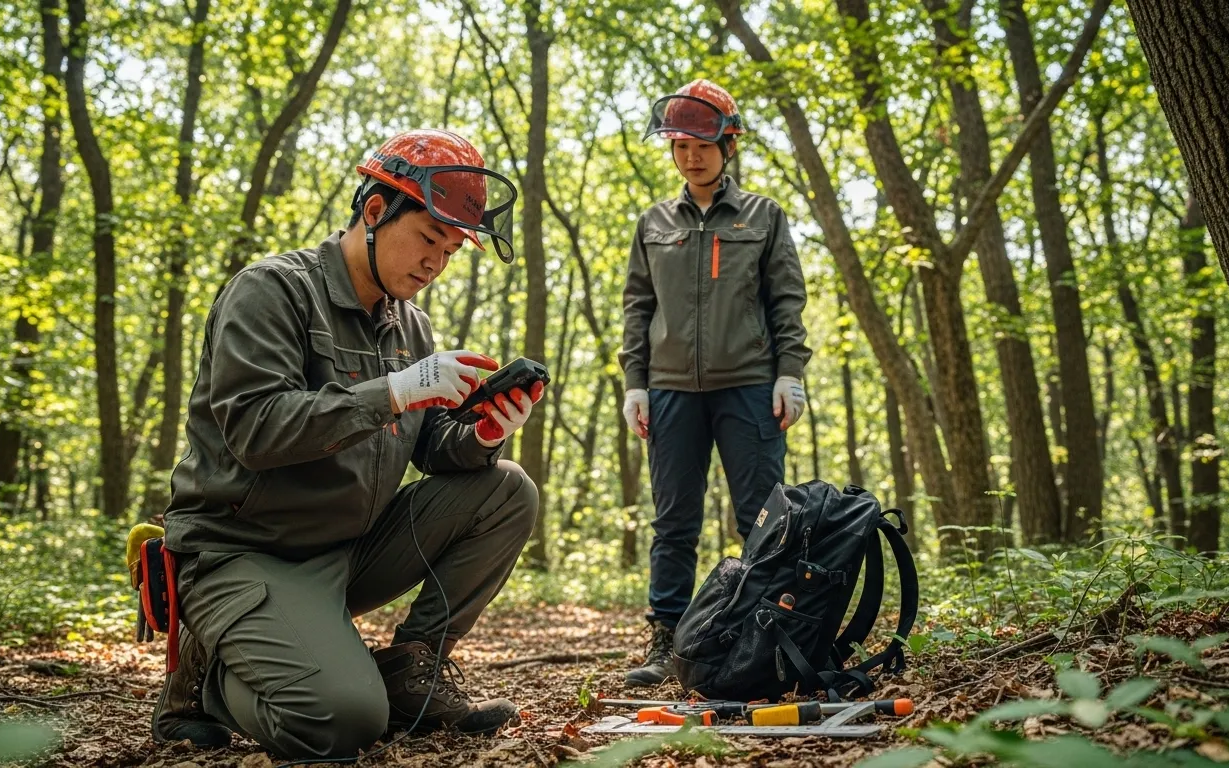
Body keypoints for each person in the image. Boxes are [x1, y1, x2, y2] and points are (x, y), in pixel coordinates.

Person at [149, 129, 545, 760]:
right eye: (428, 239)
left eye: (449, 252)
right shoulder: (271, 290)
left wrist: (482, 434)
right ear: (375, 210)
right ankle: (212, 675)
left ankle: (412, 672)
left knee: (507, 490)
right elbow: (254, 429)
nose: (435, 264)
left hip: (349, 549)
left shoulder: (410, 325)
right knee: (342, 721)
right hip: (244, 549)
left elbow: (427, 448)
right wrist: (395, 390)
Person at [619, 79, 812, 687]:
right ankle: (665, 639)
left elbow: (786, 300)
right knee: (674, 522)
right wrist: (635, 383)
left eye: (702, 145)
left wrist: (790, 374)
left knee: (761, 518)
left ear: (728, 145)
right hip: (670, 391)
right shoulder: (653, 223)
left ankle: (758, 639)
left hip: (750, 387)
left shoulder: (764, 216)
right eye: (680, 146)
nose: (691, 156)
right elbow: (638, 307)